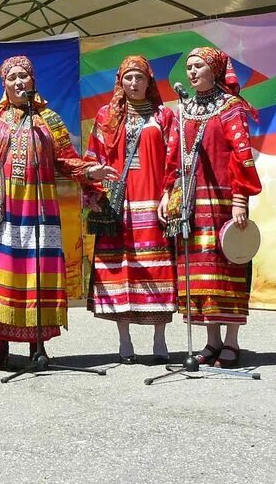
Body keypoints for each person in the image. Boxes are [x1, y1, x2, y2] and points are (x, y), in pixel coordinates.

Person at [0, 56, 101, 370]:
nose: (19, 82)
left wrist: (92, 173)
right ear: (3, 83)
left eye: (25, 77)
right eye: (13, 77)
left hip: (38, 205)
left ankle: (38, 345)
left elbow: (67, 160)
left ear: (33, 81)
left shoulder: (50, 120)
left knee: (35, 270)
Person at [160, 46, 262, 369]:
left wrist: (240, 200)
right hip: (190, 205)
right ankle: (211, 341)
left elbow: (241, 155)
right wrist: (167, 193)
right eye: (188, 67)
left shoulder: (230, 108)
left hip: (221, 202)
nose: (191, 72)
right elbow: (173, 157)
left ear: (214, 70)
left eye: (198, 66)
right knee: (199, 276)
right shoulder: (184, 109)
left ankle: (231, 342)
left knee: (225, 270)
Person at [85, 55, 177, 363]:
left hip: (151, 202)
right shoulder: (106, 116)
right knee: (119, 271)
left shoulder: (164, 116)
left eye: (139, 77)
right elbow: (92, 157)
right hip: (117, 203)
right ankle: (124, 341)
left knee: (156, 269)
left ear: (150, 80)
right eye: (128, 78)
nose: (134, 83)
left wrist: (168, 194)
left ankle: (160, 340)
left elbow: (174, 162)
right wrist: (95, 191)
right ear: (120, 82)